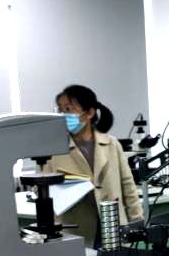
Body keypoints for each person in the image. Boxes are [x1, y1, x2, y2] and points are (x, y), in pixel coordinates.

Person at [43, 84, 143, 247]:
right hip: (76, 228)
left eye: (68, 109)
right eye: (60, 110)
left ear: (89, 112)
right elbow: (41, 191)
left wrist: (137, 221)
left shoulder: (111, 144)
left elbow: (128, 186)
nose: (63, 115)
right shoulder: (53, 149)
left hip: (112, 224)